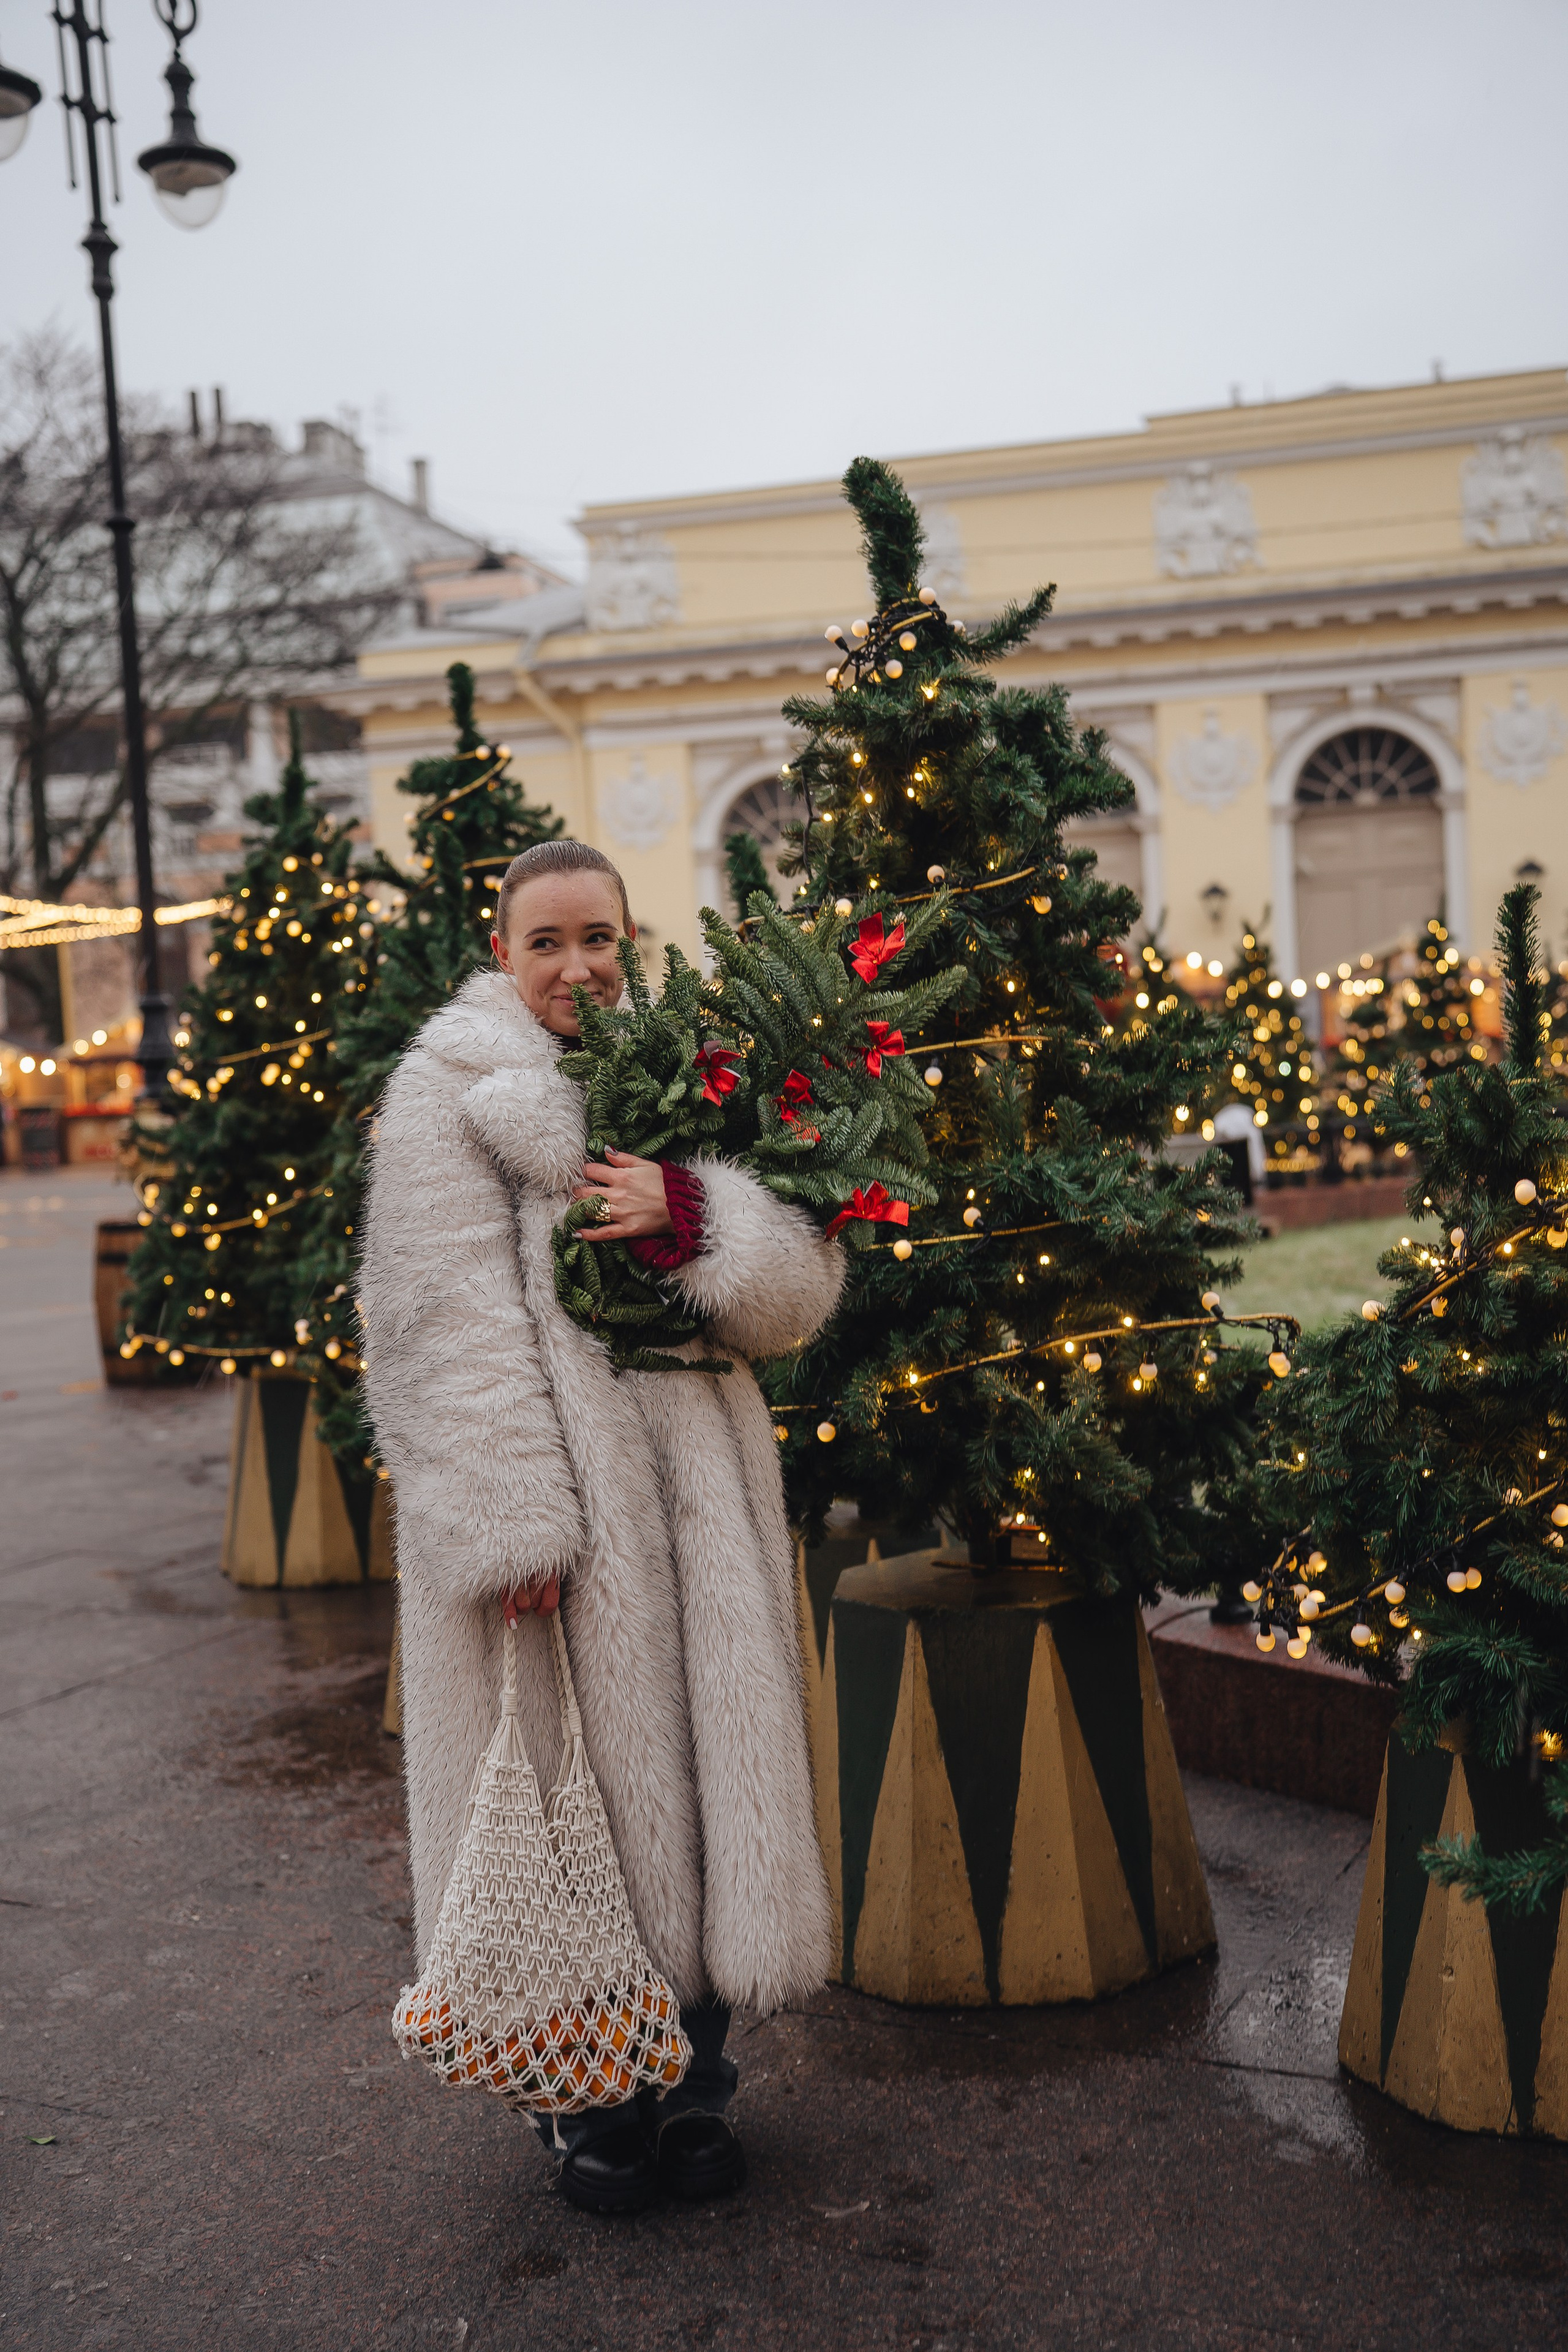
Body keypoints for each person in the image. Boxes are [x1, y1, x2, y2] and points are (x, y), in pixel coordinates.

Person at [359, 838, 840, 2215]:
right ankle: (587, 2100)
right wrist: (511, 1527)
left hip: (702, 1501)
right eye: (548, 941)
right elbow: (432, 1320)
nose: (579, 967)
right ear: (500, 948)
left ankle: (696, 2089)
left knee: (708, 1791)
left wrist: (687, 1213)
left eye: (601, 940)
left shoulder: (689, 1073)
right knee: (584, 1819)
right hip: (561, 1517)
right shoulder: (448, 1085)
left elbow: (794, 1298)